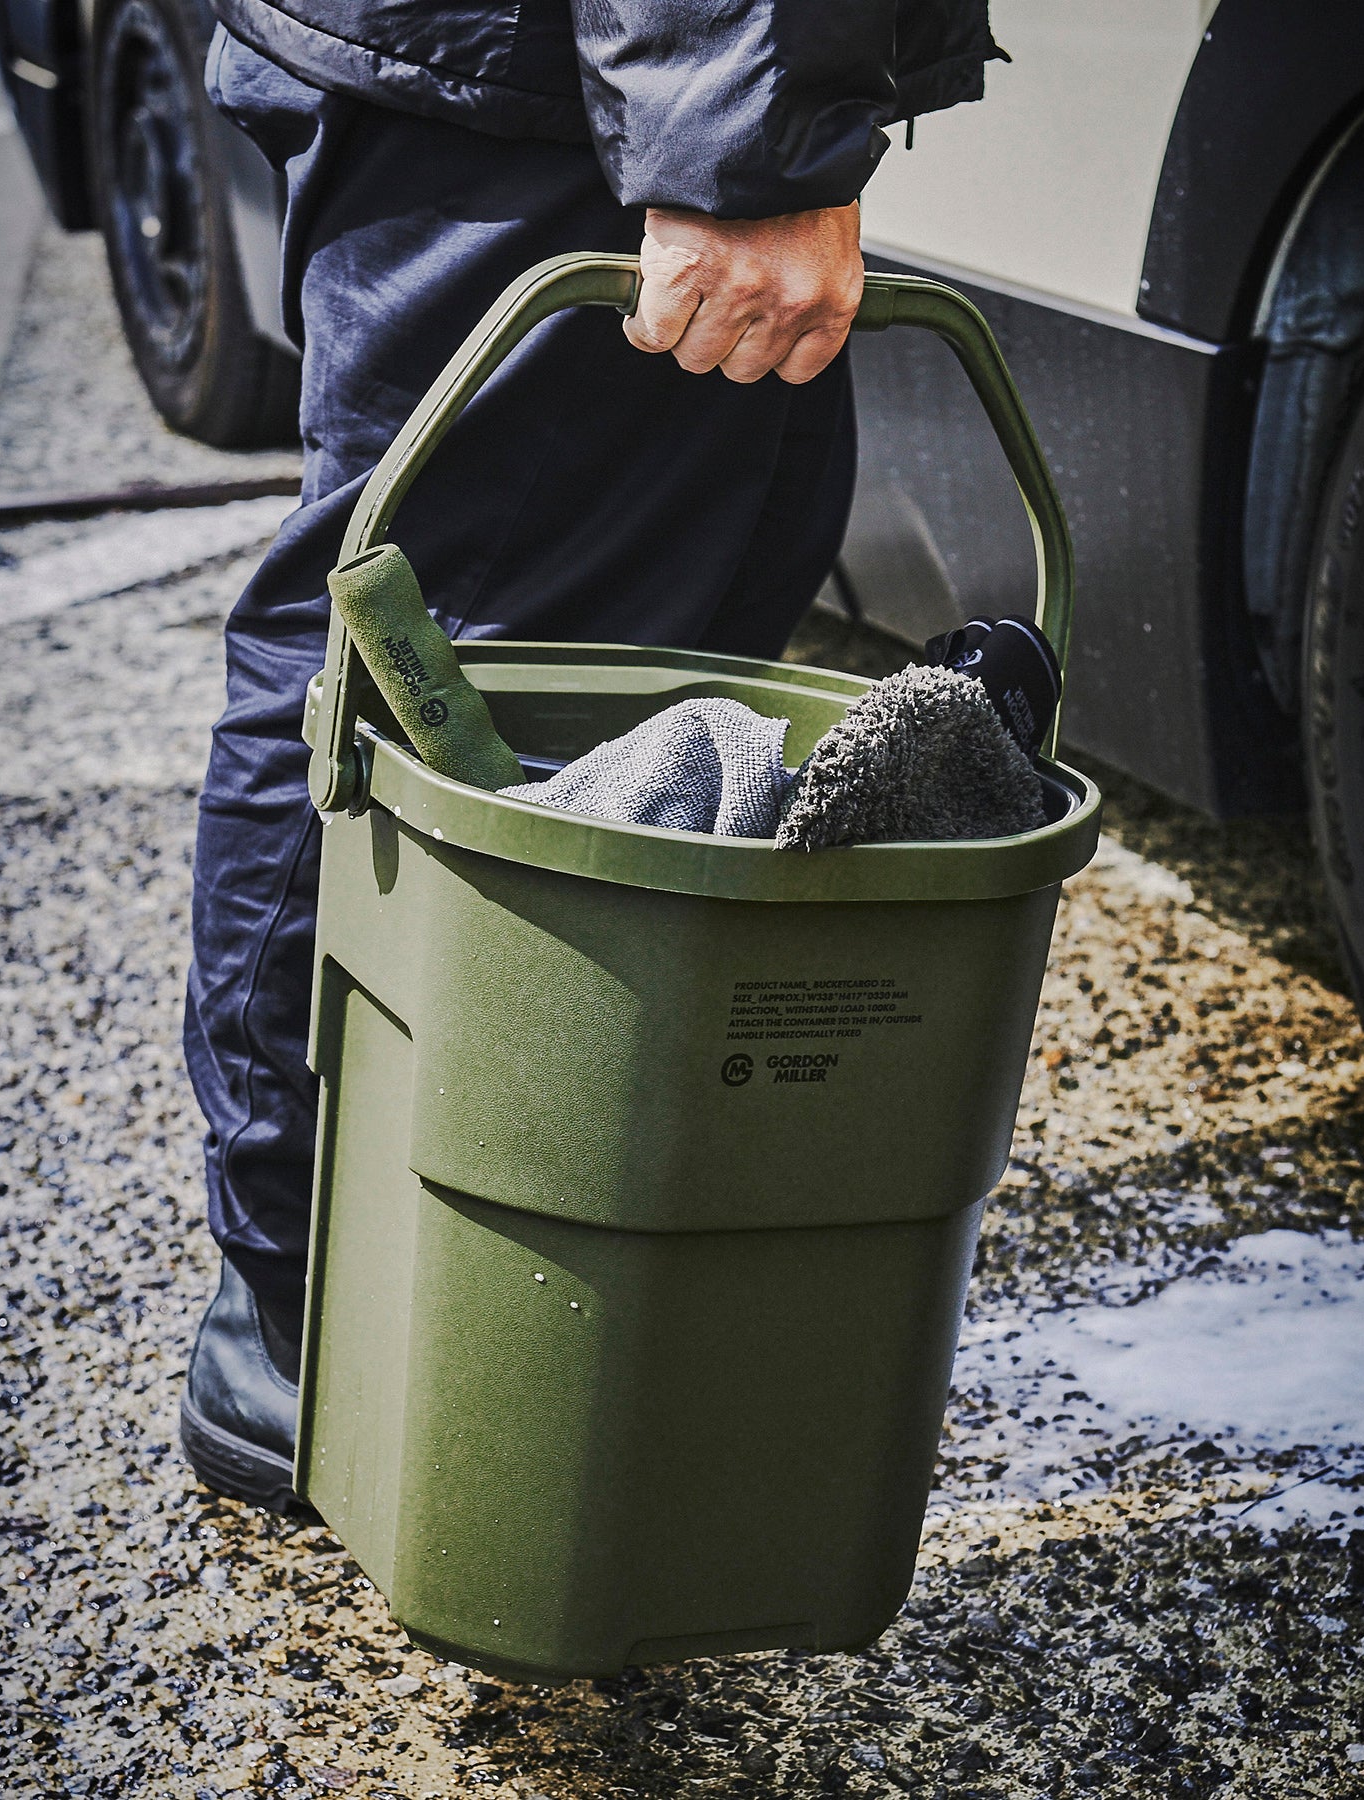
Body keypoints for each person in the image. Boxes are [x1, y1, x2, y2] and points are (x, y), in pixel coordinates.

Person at [180, 0, 1001, 1508]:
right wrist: (739, 152)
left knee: (633, 662)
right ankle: (315, 1295)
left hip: (582, 79)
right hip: (560, 88)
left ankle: (544, 1229)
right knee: (423, 657)